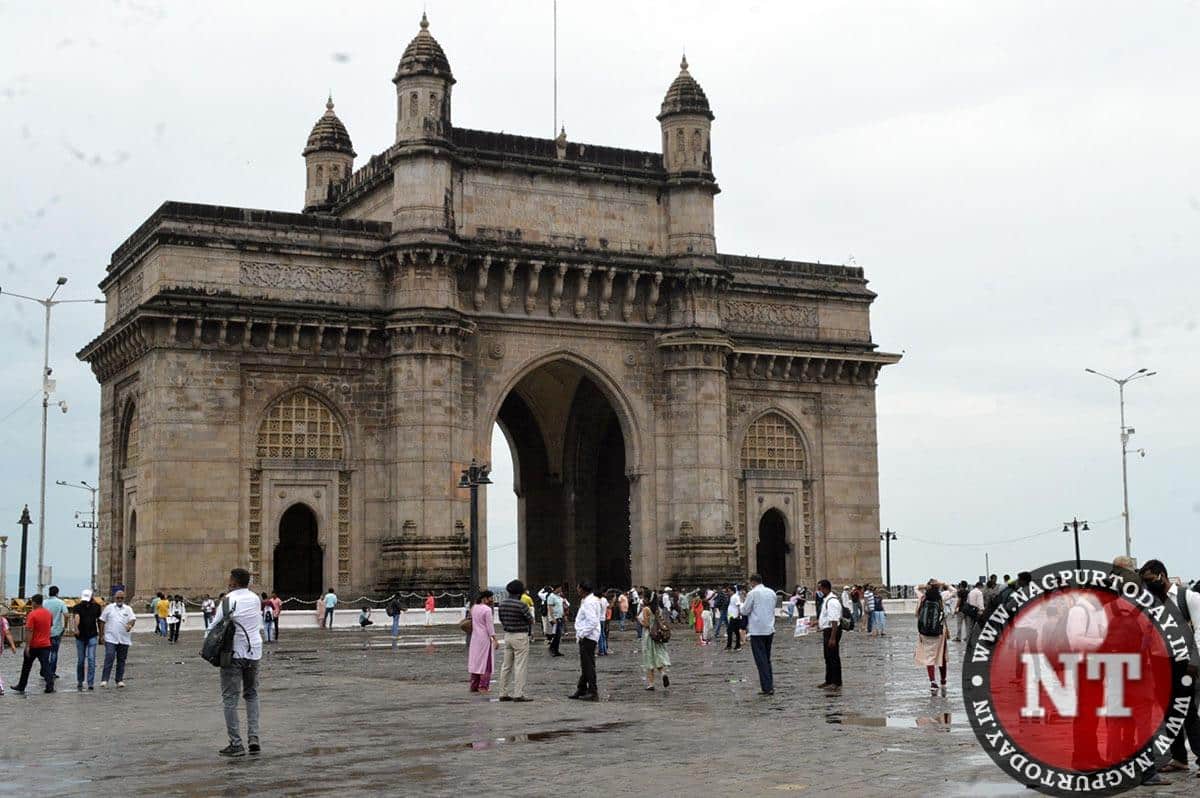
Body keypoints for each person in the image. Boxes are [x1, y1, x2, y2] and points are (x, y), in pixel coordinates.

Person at [206, 568, 263, 757]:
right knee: (252, 694)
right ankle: (254, 738)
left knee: (230, 699)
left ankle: (236, 744)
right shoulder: (256, 599)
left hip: (233, 655)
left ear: (234, 582)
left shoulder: (228, 600)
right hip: (254, 652)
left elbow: (214, 626)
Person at [741, 574, 777, 695]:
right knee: (767, 659)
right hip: (769, 628)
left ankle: (767, 688)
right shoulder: (772, 592)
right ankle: (769, 684)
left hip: (757, 630)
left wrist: (742, 603)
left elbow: (744, 610)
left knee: (761, 660)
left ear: (752, 582)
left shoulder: (753, 593)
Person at [497, 579, 533, 702]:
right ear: (520, 592)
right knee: (520, 665)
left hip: (507, 635)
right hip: (520, 635)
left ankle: (503, 692)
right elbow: (530, 620)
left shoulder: (502, 604)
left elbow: (501, 619)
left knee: (506, 666)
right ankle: (518, 693)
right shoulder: (521, 605)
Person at [12, 594, 55, 694]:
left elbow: (29, 631)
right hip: (46, 644)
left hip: (34, 645)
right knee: (45, 666)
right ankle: (50, 685)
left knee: (26, 666)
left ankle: (21, 685)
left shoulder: (32, 614)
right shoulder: (48, 613)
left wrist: (27, 646)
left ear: (34, 602)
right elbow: (51, 625)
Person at [914, 582, 949, 693]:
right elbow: (954, 591)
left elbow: (916, 588)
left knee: (929, 658)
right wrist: (943, 583)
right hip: (939, 632)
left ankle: (933, 682)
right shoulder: (941, 597)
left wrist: (924, 586)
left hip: (925, 633)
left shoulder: (923, 597)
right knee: (941, 657)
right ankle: (943, 680)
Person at [570, 582, 602, 701]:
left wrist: (582, 634)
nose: (577, 590)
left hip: (588, 637)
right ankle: (582, 688)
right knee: (586, 665)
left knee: (588, 665)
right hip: (590, 636)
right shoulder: (591, 600)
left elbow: (592, 621)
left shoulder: (589, 602)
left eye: (578, 588)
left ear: (583, 590)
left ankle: (593, 691)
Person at [99, 589, 136, 688]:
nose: (119, 599)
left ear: (124, 598)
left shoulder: (128, 609)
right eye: (118, 598)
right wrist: (101, 635)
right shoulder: (109, 608)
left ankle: (119, 680)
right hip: (110, 637)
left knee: (121, 660)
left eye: (121, 598)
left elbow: (133, 619)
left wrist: (130, 625)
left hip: (124, 638)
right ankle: (104, 679)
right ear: (115, 598)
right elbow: (102, 621)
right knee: (109, 657)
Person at [71, 589, 102, 691]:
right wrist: (76, 628)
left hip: (92, 635)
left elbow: (99, 621)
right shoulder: (77, 607)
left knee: (91, 659)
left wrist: (101, 635)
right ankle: (80, 681)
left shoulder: (97, 607)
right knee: (81, 660)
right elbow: (76, 617)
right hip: (80, 637)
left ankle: (90, 683)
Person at [639, 589, 671, 690]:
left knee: (649, 659)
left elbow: (646, 624)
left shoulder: (646, 609)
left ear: (648, 599)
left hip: (649, 636)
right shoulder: (657, 609)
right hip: (657, 636)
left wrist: (639, 620)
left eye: (644, 597)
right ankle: (663, 673)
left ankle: (651, 684)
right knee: (657, 657)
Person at [468, 590, 496, 692]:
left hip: (475, 637)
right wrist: (495, 639)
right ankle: (483, 686)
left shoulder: (474, 607)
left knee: (476, 661)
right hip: (484, 638)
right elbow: (490, 627)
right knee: (486, 662)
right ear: (486, 598)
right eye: (491, 598)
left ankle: (474, 685)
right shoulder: (487, 610)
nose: (492, 600)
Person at [817, 579, 843, 689]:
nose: (818, 591)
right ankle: (829, 680)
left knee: (833, 657)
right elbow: (827, 617)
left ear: (825, 588)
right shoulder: (827, 600)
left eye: (819, 588)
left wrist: (832, 638)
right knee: (828, 656)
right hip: (828, 630)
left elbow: (834, 621)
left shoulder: (832, 602)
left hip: (832, 631)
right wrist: (816, 622)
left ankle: (836, 682)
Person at [44, 585, 68, 678]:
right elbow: (66, 615)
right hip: (56, 631)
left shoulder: (44, 602)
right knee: (54, 653)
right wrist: (64, 627)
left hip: (45, 631)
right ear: (57, 593)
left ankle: (45, 670)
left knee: (45, 653)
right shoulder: (61, 602)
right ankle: (52, 672)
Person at [545, 585, 565, 657]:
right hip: (555, 618)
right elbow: (550, 608)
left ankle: (556, 650)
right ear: (557, 588)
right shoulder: (551, 596)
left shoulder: (559, 597)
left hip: (560, 617)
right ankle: (551, 648)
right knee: (556, 635)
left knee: (558, 635)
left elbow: (561, 606)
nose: (561, 590)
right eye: (560, 588)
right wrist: (552, 618)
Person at [0, 612, 16, 695]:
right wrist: (12, 645)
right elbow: (7, 633)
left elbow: (7, 633)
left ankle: (0, 687)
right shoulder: (3, 620)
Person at [726, 585, 743, 651]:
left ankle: (730, 645)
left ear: (733, 591)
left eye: (729, 591)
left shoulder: (735, 597)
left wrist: (738, 614)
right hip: (732, 616)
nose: (728, 592)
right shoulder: (732, 597)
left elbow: (738, 606)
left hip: (735, 616)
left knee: (730, 631)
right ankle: (737, 645)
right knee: (735, 631)